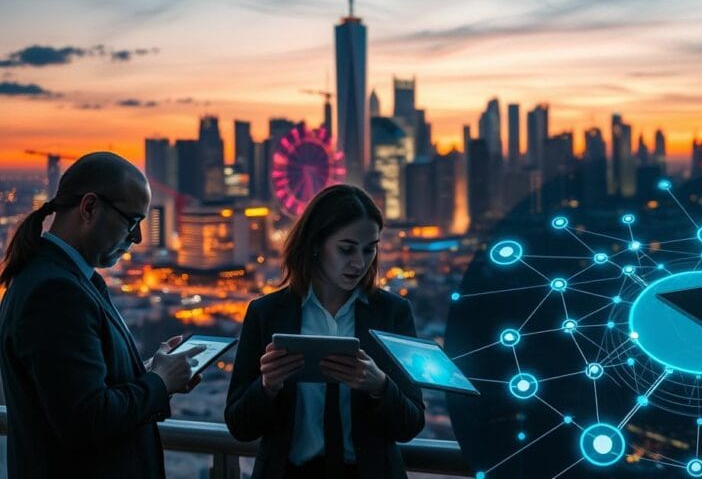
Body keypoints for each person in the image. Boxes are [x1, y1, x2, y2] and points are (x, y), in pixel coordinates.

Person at [0, 152, 205, 479]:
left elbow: (75, 391)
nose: (137, 238)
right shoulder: (56, 293)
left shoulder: (59, 279)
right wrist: (159, 383)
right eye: (132, 221)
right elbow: (86, 419)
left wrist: (147, 371)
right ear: (89, 207)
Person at [225, 184, 425, 479]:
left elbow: (411, 423)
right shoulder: (266, 313)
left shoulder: (393, 313)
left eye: (369, 249)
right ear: (316, 243)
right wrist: (267, 386)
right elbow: (239, 426)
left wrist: (379, 385)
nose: (359, 263)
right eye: (346, 249)